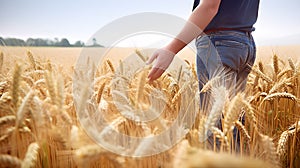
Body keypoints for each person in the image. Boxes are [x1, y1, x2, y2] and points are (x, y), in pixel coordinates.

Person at [146, 0, 260, 151]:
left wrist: (171, 49)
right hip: (243, 43)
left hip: (218, 43)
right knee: (232, 126)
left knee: (216, 129)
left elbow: (209, 7)